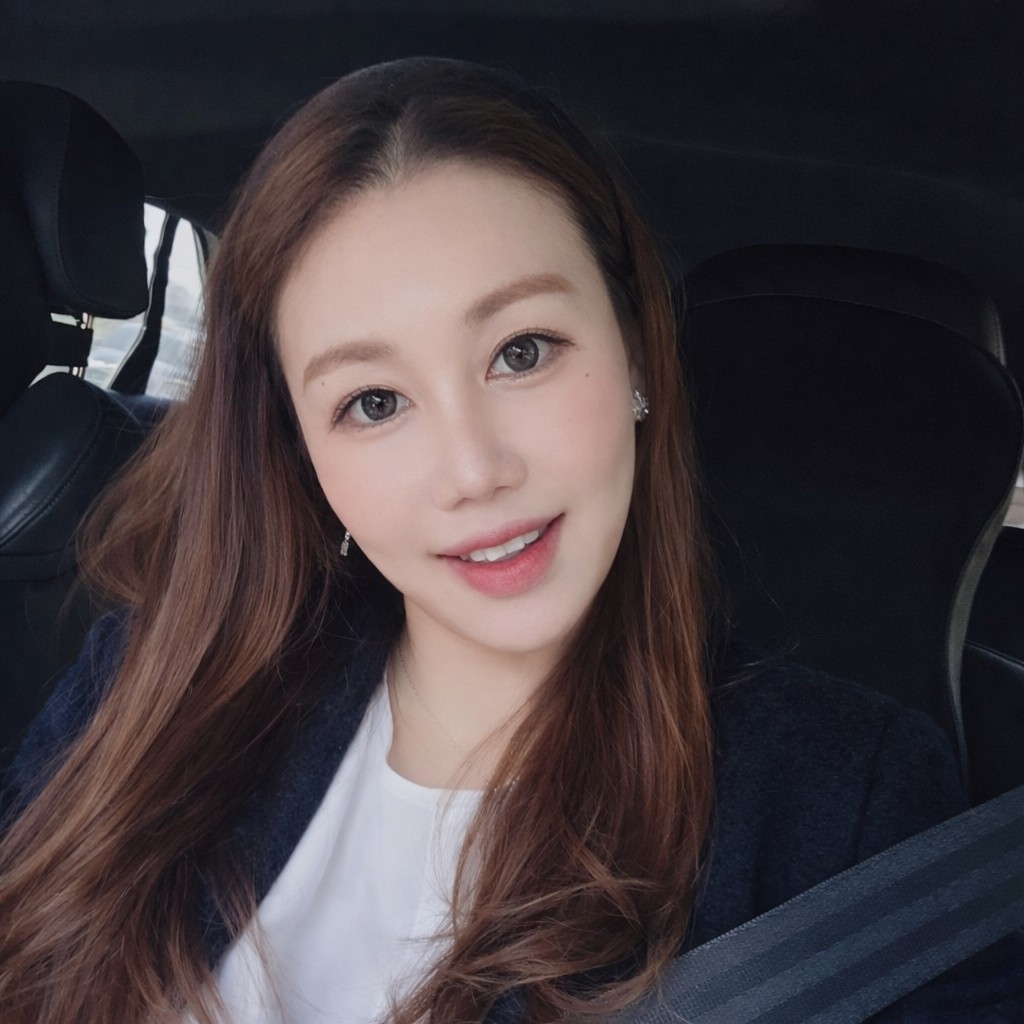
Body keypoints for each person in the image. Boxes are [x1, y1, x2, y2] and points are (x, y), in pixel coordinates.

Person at [0, 57, 1020, 1024]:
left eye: (521, 351)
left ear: (636, 355)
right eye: (373, 401)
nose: (472, 470)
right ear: (302, 453)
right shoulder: (148, 686)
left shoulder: (853, 805)